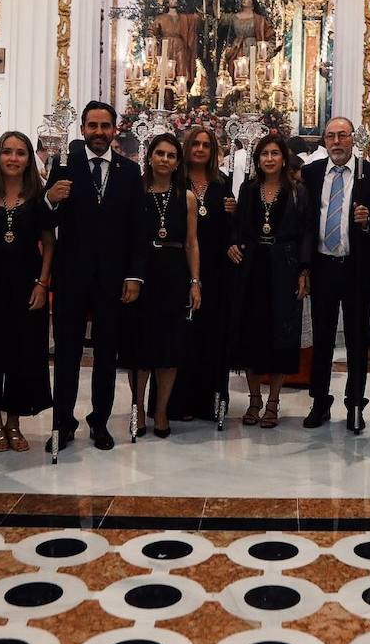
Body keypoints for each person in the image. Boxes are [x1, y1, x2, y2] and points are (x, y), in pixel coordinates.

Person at [44, 101, 148, 452]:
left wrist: (134, 276)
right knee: (68, 354)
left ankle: (100, 422)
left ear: (114, 129)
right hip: (71, 275)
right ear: (83, 129)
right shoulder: (63, 165)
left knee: (106, 355)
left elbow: (137, 229)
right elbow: (46, 222)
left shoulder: (129, 171)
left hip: (113, 278)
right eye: (92, 126)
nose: (99, 132)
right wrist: (50, 199)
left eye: (105, 126)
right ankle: (62, 424)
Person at [0, 131, 54, 454]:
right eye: (7, 152)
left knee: (21, 354)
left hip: (26, 285)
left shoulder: (37, 194)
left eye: (20, 153)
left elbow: (49, 243)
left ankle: (14, 422)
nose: (13, 158)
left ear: (29, 159)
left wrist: (43, 283)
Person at [301, 117, 370, 432]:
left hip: (356, 267)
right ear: (324, 141)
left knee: (357, 340)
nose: (336, 142)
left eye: (342, 136)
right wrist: (305, 267)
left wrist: (368, 220)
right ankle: (319, 402)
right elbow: (308, 221)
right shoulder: (311, 173)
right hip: (324, 266)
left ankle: (355, 405)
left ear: (353, 139)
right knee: (322, 339)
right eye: (330, 136)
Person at [228, 134, 312, 429]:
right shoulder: (248, 189)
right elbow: (237, 227)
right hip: (251, 268)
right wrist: (233, 243)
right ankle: (254, 400)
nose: (269, 159)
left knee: (281, 336)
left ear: (284, 158)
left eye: (275, 153)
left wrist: (304, 270)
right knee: (251, 335)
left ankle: (274, 402)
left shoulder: (298, 191)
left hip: (284, 267)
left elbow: (305, 232)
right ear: (257, 159)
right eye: (264, 154)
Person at [124, 133, 200, 438]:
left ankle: (161, 410)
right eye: (160, 154)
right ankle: (138, 407)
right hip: (143, 271)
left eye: (171, 155)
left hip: (174, 272)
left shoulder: (187, 197)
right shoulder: (136, 191)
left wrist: (195, 281)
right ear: (150, 156)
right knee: (140, 345)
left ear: (178, 161)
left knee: (170, 346)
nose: (165, 160)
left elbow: (192, 243)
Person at [171, 124, 235, 421]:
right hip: (181, 266)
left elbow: (230, 230)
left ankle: (210, 402)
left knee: (212, 335)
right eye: (195, 144)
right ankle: (179, 401)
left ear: (213, 151)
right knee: (184, 335)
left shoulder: (222, 184)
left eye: (205, 145)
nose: (199, 149)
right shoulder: (175, 180)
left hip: (216, 269)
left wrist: (233, 214)